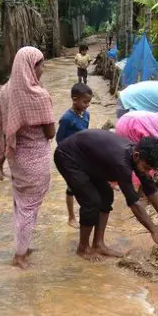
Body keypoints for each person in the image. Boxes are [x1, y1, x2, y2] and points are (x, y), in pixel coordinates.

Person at [54, 130, 158, 259]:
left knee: (106, 196)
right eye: (146, 168)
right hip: (67, 157)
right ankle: (83, 248)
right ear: (136, 156)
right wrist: (154, 230)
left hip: (88, 159)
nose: (147, 172)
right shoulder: (122, 163)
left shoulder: (137, 156)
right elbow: (134, 203)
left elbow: (150, 189)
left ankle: (98, 244)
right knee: (91, 201)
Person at [0, 47, 56, 269]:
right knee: (30, 207)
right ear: (31, 67)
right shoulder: (39, 95)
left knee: (21, 204)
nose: (43, 69)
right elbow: (50, 133)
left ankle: (23, 245)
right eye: (41, 65)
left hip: (16, 158)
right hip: (35, 159)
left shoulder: (5, 91)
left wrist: (0, 158)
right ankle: (19, 255)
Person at [57, 82, 92, 228]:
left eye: (89, 102)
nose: (87, 105)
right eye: (85, 102)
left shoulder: (86, 115)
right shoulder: (66, 119)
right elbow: (59, 139)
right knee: (71, 187)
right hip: (69, 157)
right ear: (74, 99)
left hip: (82, 156)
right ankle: (71, 217)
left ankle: (85, 210)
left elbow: (85, 134)